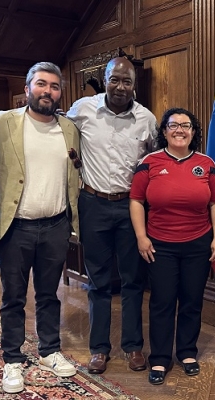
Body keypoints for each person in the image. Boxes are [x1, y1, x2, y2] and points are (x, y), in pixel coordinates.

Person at [0, 62, 81, 393]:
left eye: (54, 86)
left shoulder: (69, 129)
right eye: (41, 84)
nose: (47, 91)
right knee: (13, 296)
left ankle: (50, 351)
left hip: (56, 225)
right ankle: (12, 359)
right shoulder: (2, 122)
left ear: (59, 93)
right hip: (15, 227)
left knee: (48, 294)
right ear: (27, 89)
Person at [66, 56, 157, 374]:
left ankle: (133, 346)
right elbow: (62, 136)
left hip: (131, 206)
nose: (120, 86)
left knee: (133, 280)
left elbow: (152, 160)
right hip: (93, 204)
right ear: (104, 79)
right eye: (114, 79)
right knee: (99, 281)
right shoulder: (82, 109)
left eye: (127, 81)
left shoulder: (146, 118)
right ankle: (99, 349)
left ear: (134, 84)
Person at [130, 107, 215, 385]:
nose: (179, 130)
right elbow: (136, 200)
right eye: (173, 125)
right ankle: (159, 358)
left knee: (192, 300)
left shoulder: (207, 164)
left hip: (198, 242)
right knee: (162, 302)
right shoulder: (149, 162)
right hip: (160, 245)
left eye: (186, 125)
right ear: (163, 131)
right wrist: (141, 236)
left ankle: (187, 353)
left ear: (193, 132)